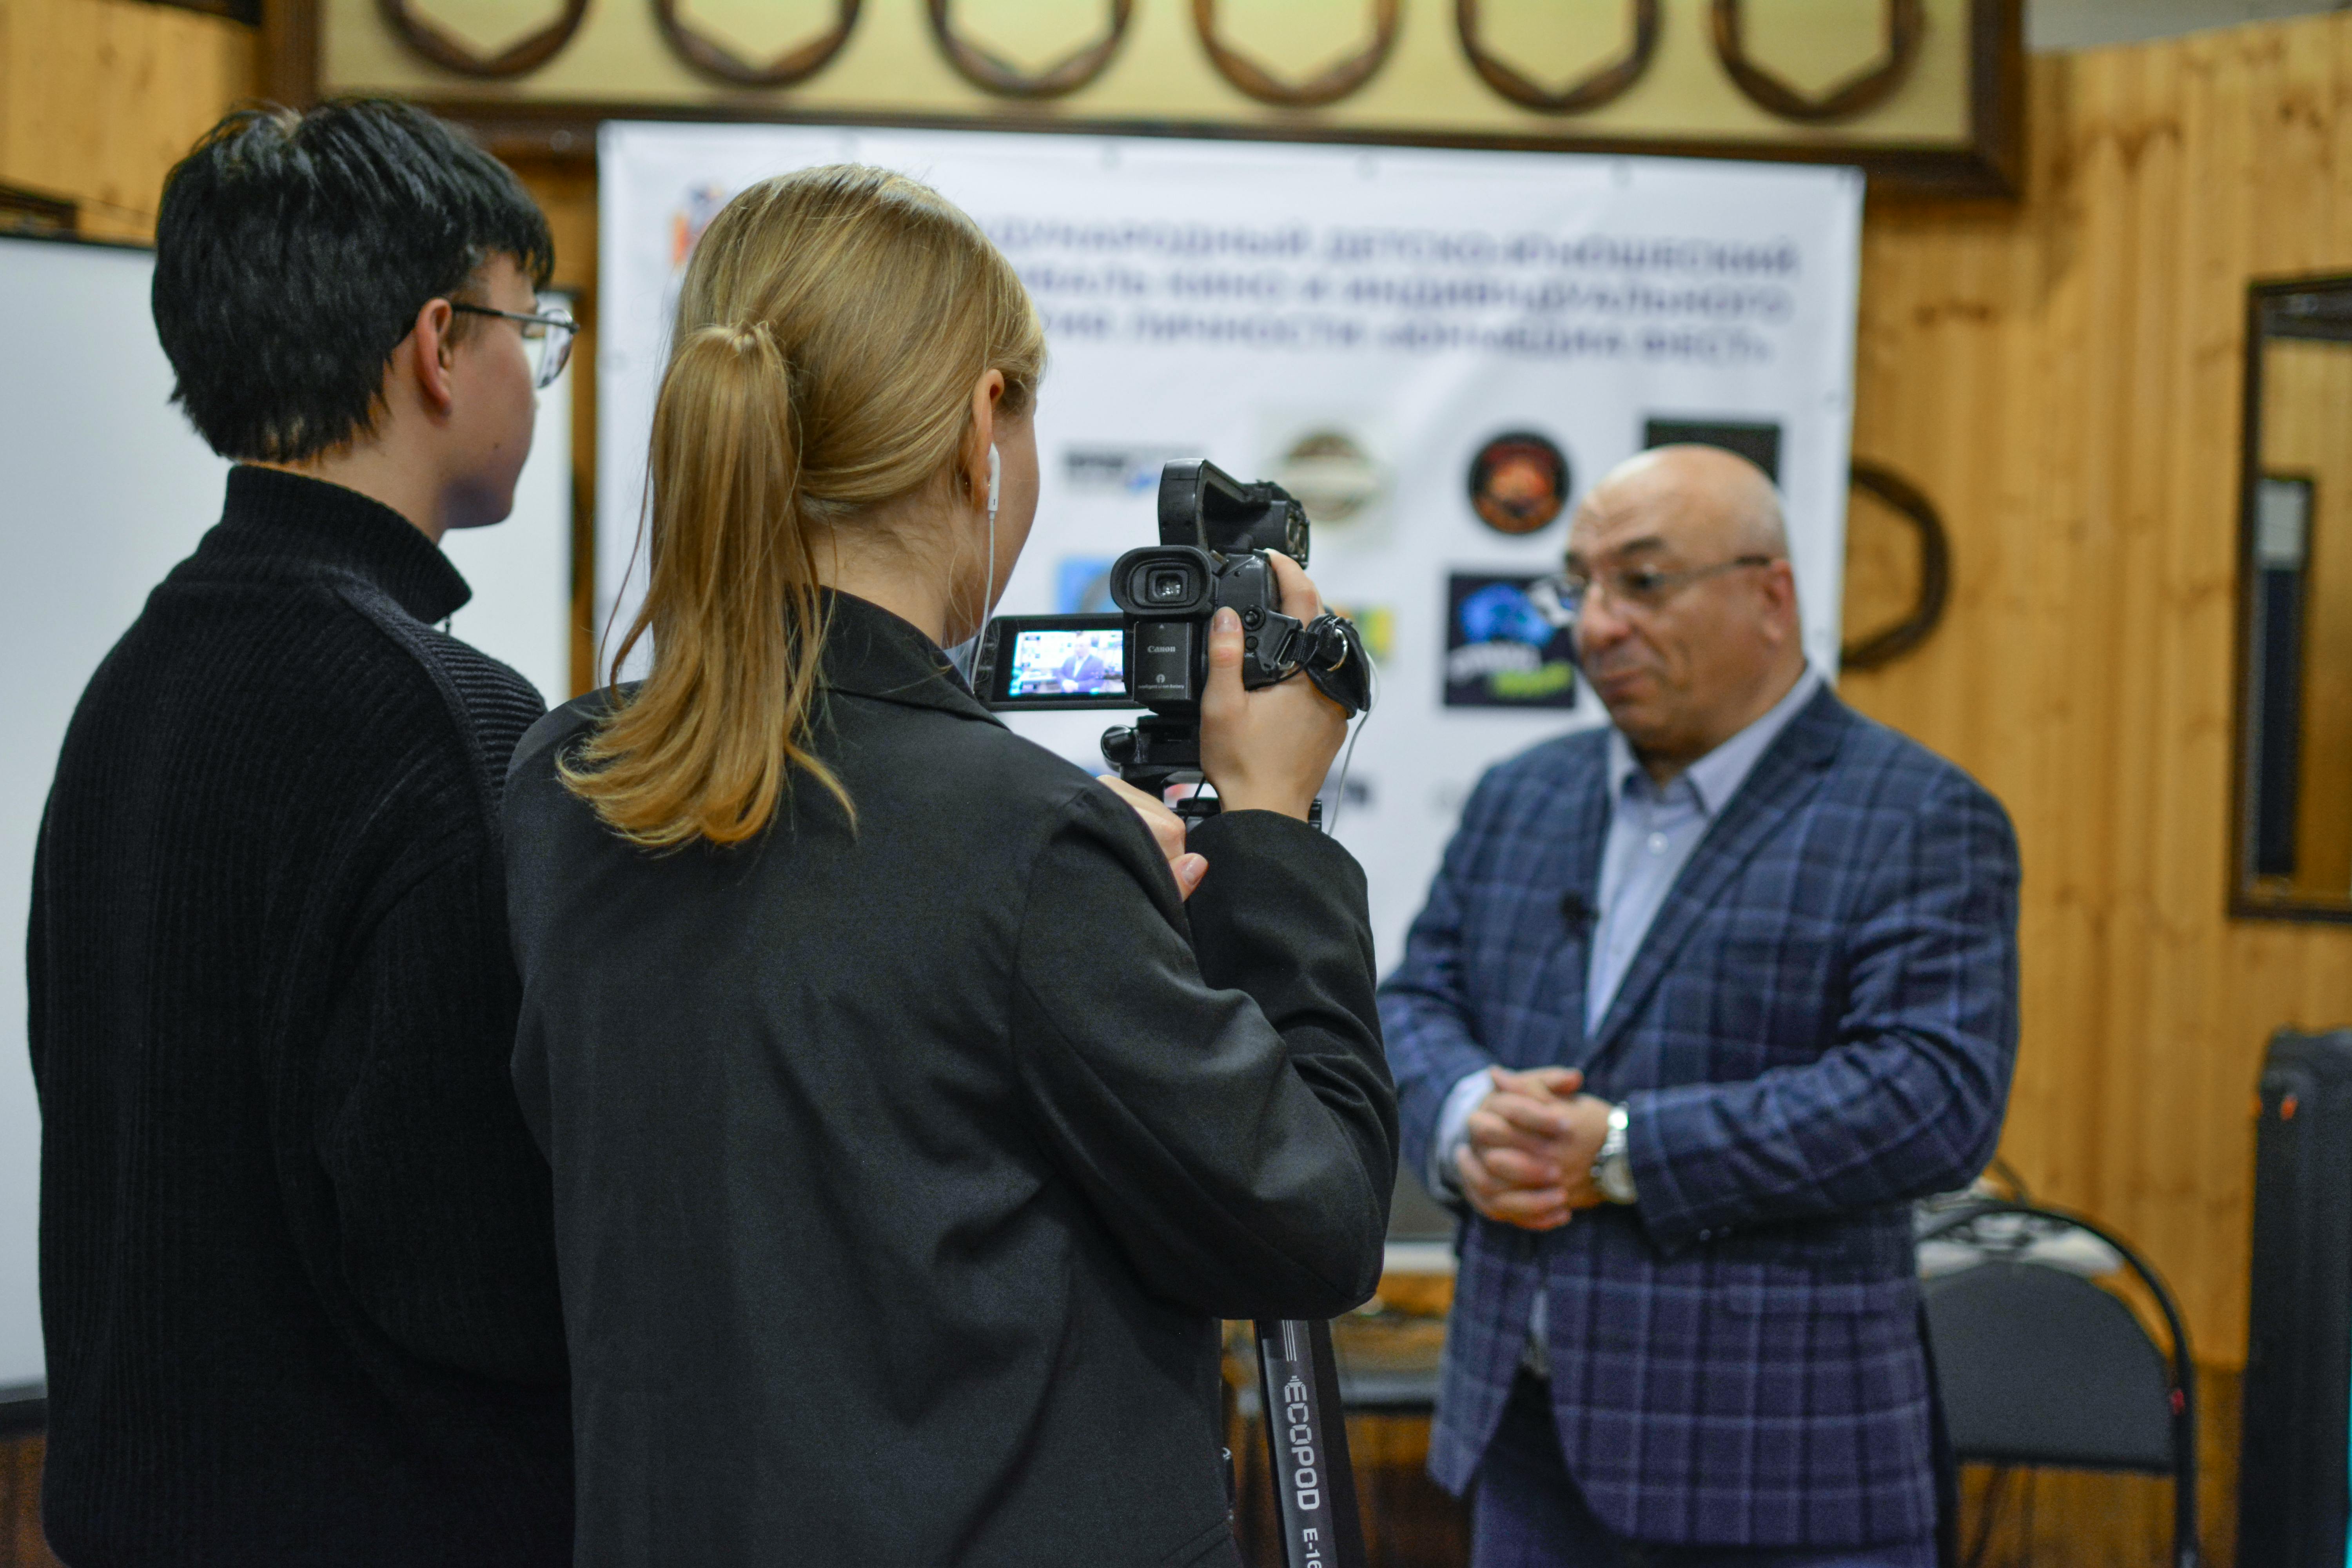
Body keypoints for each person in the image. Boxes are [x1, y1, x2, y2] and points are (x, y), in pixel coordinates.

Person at [501, 165, 1396, 1567]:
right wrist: (1273, 829)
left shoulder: (567, 780)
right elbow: (1314, 1225)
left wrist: (1087, 910)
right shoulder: (1028, 842)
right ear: (984, 430)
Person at [27, 102, 576, 1566]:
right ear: (440, 345)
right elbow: (473, 1268)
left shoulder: (131, 683)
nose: (537, 371)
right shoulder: (445, 717)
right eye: (533, 327)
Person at [1382, 445, 2020, 1567]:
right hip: (1525, 1440)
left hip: (1777, 1469)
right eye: (1580, 587)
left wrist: (1622, 1152)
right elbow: (1413, 1004)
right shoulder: (1523, 797)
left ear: (1771, 597)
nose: (1598, 626)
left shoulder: (1916, 815)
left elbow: (1933, 1097)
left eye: (1643, 582)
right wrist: (1468, 1115)